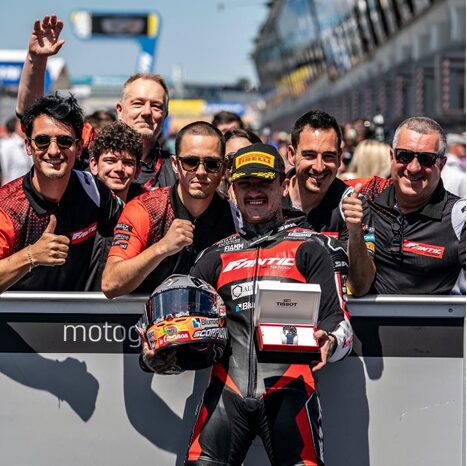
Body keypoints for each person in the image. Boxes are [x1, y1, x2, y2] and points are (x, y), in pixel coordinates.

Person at [139, 143, 353, 465]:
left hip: (291, 393)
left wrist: (331, 341)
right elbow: (189, 341)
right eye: (244, 184)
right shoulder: (213, 256)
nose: (254, 192)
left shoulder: (314, 247)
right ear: (232, 190)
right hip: (226, 396)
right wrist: (159, 358)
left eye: (263, 183)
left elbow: (341, 323)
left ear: (283, 185)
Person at [16, 15, 176, 188]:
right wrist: (36, 59)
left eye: (156, 106)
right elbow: (32, 115)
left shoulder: (177, 169)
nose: (146, 112)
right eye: (138, 103)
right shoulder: (87, 148)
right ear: (119, 110)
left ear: (165, 115)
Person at [0, 94, 122, 293]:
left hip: (75, 312)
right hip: (16, 312)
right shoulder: (7, 207)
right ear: (28, 146)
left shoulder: (93, 190)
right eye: (42, 141)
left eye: (64, 141)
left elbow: (132, 230)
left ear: (79, 147)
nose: (54, 151)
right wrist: (30, 256)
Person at [102, 121, 240, 297]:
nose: (201, 171)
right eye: (190, 162)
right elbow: (110, 283)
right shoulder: (145, 209)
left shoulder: (236, 216)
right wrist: (161, 248)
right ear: (175, 164)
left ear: (223, 169)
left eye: (211, 163)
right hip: (148, 314)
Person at [368, 116, 466, 294]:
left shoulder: (459, 217)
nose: (413, 168)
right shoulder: (367, 203)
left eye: (426, 159)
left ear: (441, 164)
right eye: (404, 156)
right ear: (392, 156)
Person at [287, 110, 375, 296]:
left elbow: (360, 286)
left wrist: (355, 233)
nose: (319, 167)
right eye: (309, 155)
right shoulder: (273, 197)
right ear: (291, 155)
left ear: (339, 157)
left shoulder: (352, 203)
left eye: (328, 156)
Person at [85, 121, 143, 291]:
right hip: (76, 304)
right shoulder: (77, 205)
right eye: (110, 161)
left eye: (128, 162)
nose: (119, 168)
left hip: (125, 305)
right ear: (94, 165)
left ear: (138, 170)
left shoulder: (144, 214)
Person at [0, 116, 33, 185]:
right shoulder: (7, 145)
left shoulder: (31, 144)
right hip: (12, 187)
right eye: (23, 124)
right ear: (16, 126)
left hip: (28, 187)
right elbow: (4, 172)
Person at [440, 133, 466, 198]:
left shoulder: (456, 162)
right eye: (463, 146)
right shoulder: (450, 163)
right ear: (454, 147)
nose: (465, 149)